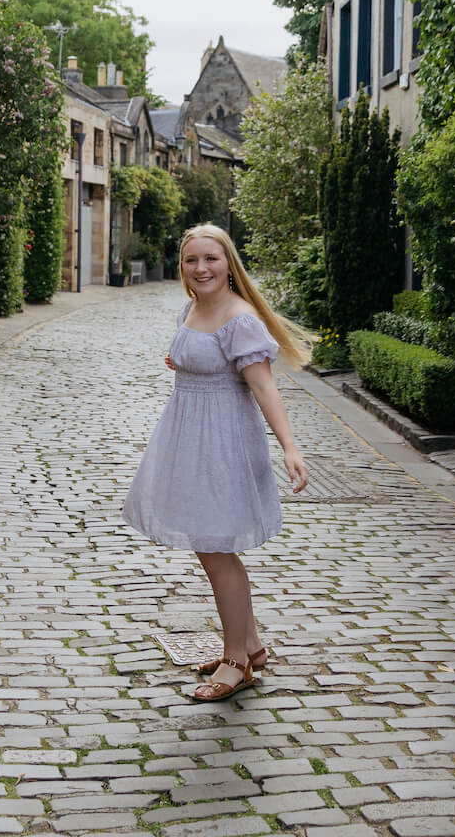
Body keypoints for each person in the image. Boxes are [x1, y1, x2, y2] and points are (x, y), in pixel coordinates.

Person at [121, 223, 312, 701]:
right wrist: (186, 360)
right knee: (214, 549)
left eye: (211, 259)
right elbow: (199, 357)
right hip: (190, 439)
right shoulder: (194, 307)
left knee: (217, 552)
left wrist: (289, 445)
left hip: (222, 445)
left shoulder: (239, 316)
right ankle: (251, 646)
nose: (200, 268)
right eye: (191, 260)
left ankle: (235, 664)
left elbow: (265, 387)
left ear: (229, 263)